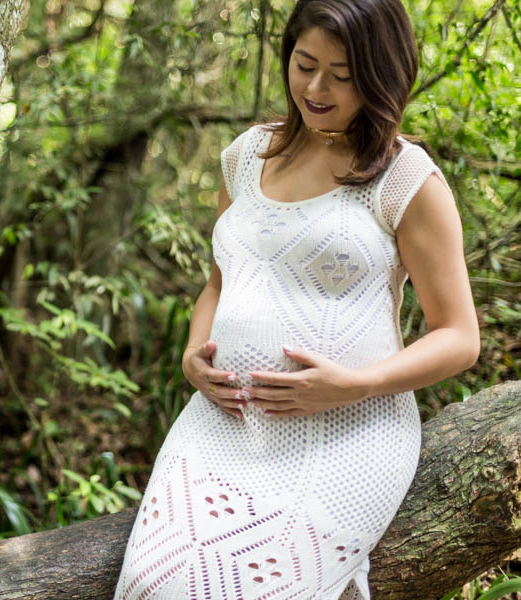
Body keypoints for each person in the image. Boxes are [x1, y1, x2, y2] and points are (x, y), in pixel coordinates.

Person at [112, 0, 480, 598]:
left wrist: (351, 385)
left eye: (342, 75)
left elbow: (460, 337)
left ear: (381, 75)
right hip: (221, 428)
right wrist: (191, 354)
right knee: (153, 582)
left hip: (348, 433)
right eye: (304, 64)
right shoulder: (247, 155)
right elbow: (219, 280)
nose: (316, 87)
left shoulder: (405, 179)